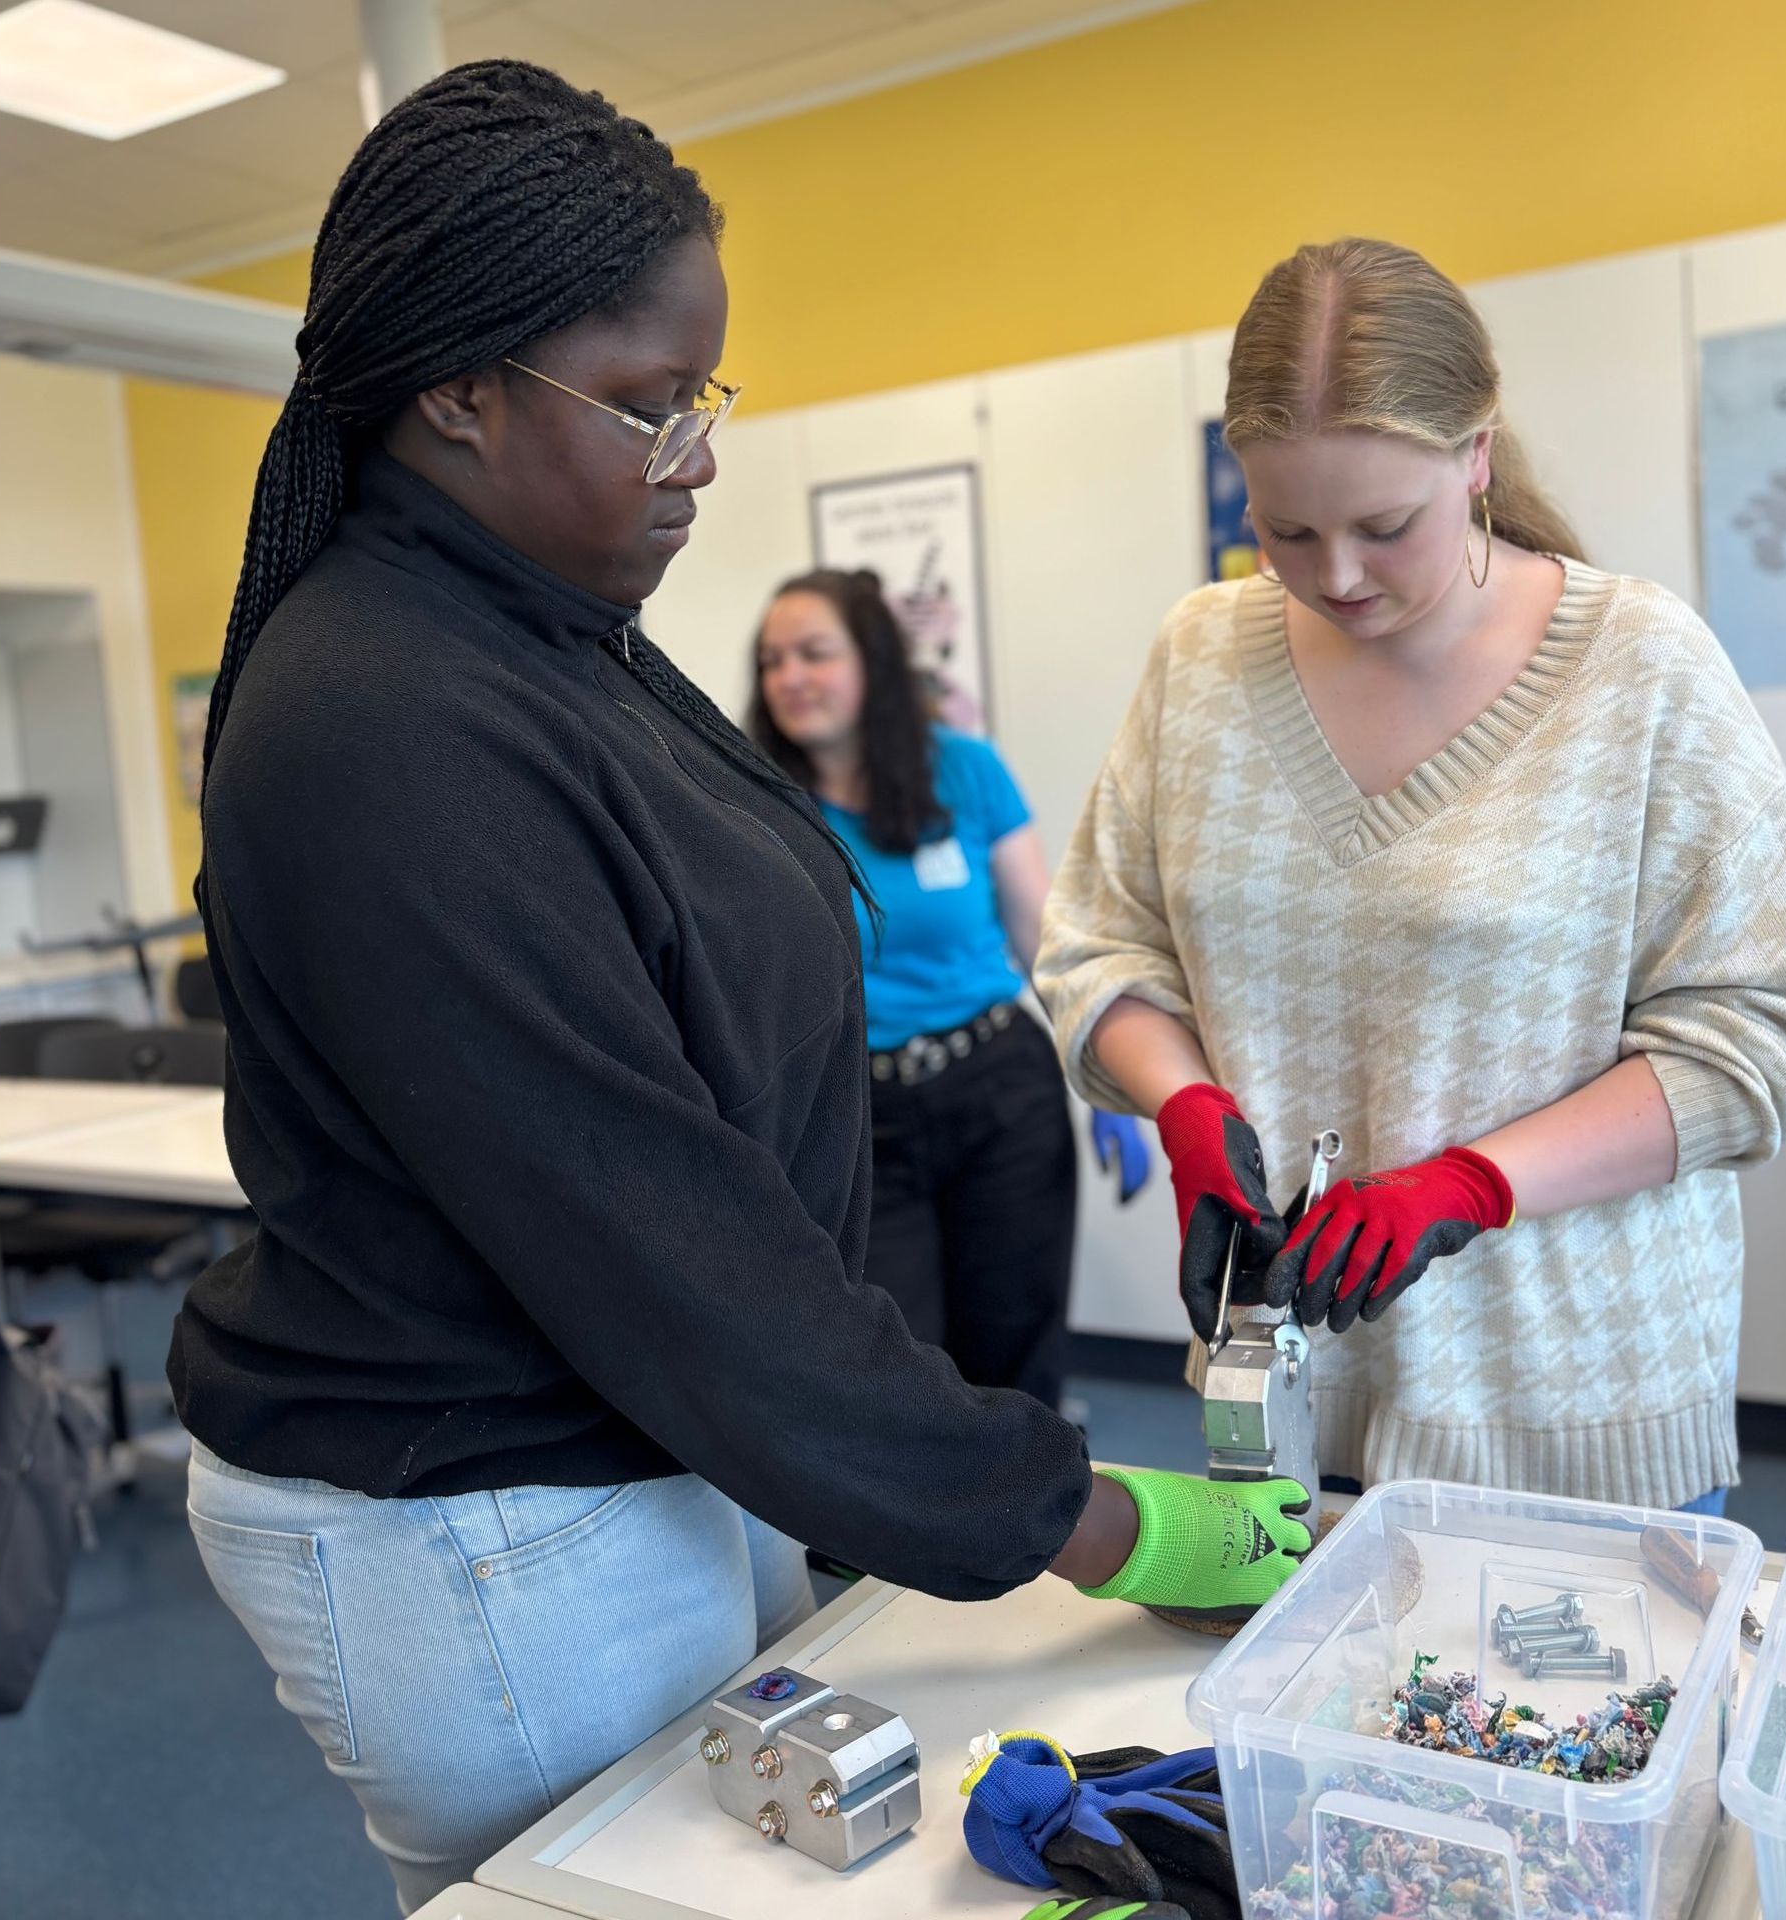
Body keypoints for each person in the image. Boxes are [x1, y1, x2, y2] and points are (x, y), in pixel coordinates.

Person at [168, 62, 1310, 1912]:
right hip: (484, 1516)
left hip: (647, 1442)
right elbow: (663, 1236)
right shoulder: (385, 725)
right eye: (645, 407)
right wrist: (1096, 1521)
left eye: (701, 399)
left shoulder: (549, 641)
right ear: (457, 391)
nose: (695, 459)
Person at [1036, 237, 1786, 1517]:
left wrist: (1474, 1185)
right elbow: (1102, 948)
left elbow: (1771, 1036)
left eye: (1386, 527)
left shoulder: (1639, 667)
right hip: (1287, 1384)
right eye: (1285, 530)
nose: (1337, 577)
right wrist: (1183, 1103)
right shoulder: (1200, 657)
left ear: (1476, 455)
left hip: (1571, 1405)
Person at [748, 569, 1149, 1410]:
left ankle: (1035, 1499)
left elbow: (1042, 937)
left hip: (999, 1090)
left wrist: (1105, 1074)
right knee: (900, 1365)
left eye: (814, 653)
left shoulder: (963, 770)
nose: (789, 678)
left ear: (873, 661)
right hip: (860, 1112)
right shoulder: (754, 801)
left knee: (1016, 1342)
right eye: (772, 660)